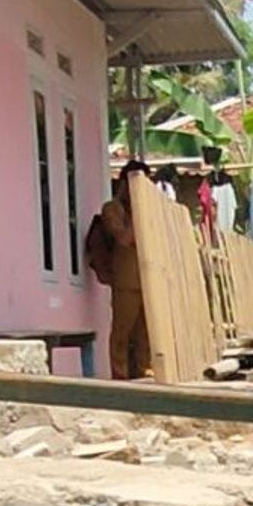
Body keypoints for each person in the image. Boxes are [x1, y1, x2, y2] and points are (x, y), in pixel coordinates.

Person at [101, 160, 151, 380]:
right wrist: (137, 211)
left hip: (149, 280)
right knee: (122, 332)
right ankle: (119, 374)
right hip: (126, 280)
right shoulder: (113, 209)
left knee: (146, 334)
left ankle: (144, 371)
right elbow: (123, 238)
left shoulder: (149, 211)